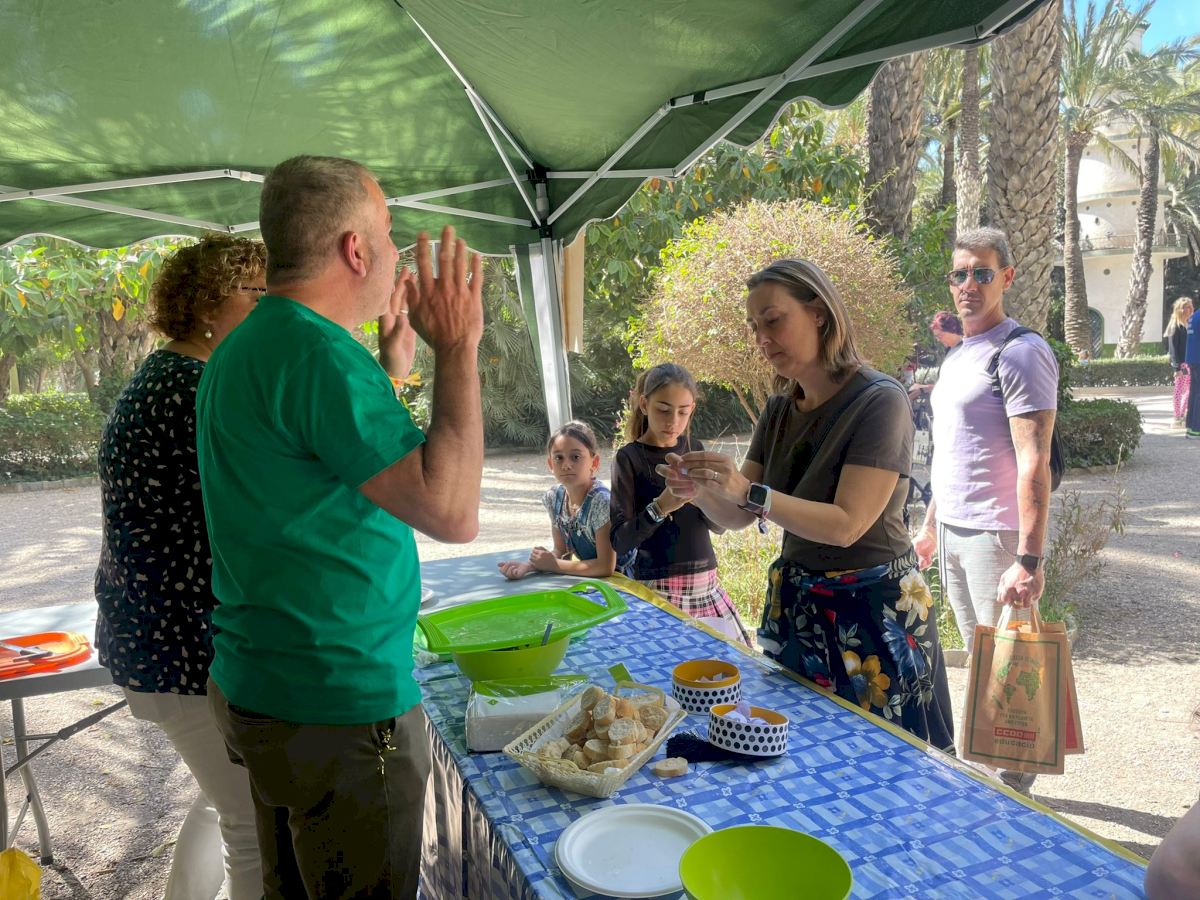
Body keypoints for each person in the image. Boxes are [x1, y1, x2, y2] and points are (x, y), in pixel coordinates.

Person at [196, 155, 484, 899]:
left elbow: (319, 467)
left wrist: (390, 370)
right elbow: (452, 511)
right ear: (356, 249)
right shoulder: (320, 355)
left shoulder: (247, 344)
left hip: (265, 687)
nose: (395, 251)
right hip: (336, 705)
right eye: (387, 232)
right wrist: (459, 348)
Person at [656, 261, 954, 751]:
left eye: (773, 320)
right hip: (801, 610)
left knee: (888, 762)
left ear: (819, 313)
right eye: (755, 327)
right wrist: (701, 490)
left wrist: (746, 491)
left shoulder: (880, 400)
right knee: (806, 758)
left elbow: (846, 526)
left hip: (874, 615)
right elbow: (738, 516)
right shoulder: (778, 409)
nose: (762, 338)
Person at [94, 234, 266, 899]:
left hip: (159, 636)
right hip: (180, 644)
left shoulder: (170, 375)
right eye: (255, 293)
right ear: (207, 306)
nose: (269, 306)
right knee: (251, 822)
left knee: (222, 801)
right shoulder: (190, 389)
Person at [913, 227, 1058, 792]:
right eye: (960, 274)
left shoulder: (1021, 352)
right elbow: (954, 452)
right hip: (954, 531)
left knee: (1009, 670)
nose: (968, 284)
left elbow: (1034, 461)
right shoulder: (961, 354)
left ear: (1007, 277)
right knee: (982, 662)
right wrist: (931, 527)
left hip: (997, 536)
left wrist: (1029, 558)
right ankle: (991, 777)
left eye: (982, 272)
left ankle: (1013, 790)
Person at [609, 363, 751, 645]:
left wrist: (705, 497)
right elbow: (620, 542)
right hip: (657, 588)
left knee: (720, 667)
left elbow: (718, 526)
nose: (673, 421)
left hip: (706, 585)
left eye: (683, 411)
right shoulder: (629, 458)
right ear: (644, 404)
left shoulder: (694, 449)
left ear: (692, 409)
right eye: (663, 410)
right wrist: (661, 507)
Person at [498, 420, 631, 580]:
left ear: (594, 462)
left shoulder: (601, 502)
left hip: (627, 581)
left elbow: (605, 567)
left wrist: (554, 565)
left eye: (575, 457)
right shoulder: (555, 498)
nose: (566, 465)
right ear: (550, 464)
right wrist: (530, 566)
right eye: (559, 458)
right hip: (595, 581)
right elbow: (560, 551)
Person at [908, 310, 963, 400]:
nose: (938, 340)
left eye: (940, 335)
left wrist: (924, 389)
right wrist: (922, 387)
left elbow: (958, 388)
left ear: (952, 330)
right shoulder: (950, 350)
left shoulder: (965, 351)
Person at [1166, 297, 1193, 428]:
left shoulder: (1190, 324)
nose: (1189, 309)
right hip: (1181, 364)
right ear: (1179, 309)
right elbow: (1173, 349)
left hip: (1191, 363)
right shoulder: (1175, 326)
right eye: (1186, 307)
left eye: (1190, 306)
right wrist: (1177, 368)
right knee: (1179, 391)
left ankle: (1182, 415)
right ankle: (1177, 417)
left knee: (1190, 391)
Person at [1183, 299, 1200, 439]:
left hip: (1193, 359)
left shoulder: (1195, 316)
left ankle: (1190, 427)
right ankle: (1196, 428)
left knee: (1194, 392)